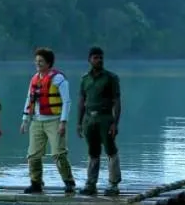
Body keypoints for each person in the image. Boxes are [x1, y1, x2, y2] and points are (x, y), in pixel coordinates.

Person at [19, 46, 77, 194]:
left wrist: (63, 122)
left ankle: (69, 182)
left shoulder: (58, 78)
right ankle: (36, 183)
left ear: (49, 63)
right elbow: (28, 99)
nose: (38, 63)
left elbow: (67, 102)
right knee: (33, 155)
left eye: (41, 61)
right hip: (37, 121)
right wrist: (25, 120)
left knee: (58, 153)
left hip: (55, 120)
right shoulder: (34, 79)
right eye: (36, 60)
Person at [77, 46, 122, 196]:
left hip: (105, 118)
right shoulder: (85, 79)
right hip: (89, 119)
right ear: (89, 60)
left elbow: (117, 101)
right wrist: (79, 123)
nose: (99, 60)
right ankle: (91, 184)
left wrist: (115, 123)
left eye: (101, 57)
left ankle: (113, 185)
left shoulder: (111, 78)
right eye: (96, 57)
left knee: (110, 150)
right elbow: (82, 101)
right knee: (93, 151)